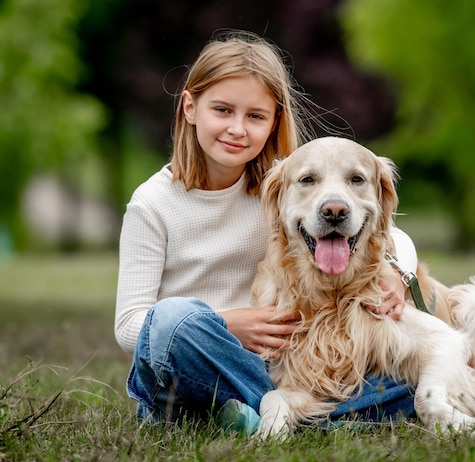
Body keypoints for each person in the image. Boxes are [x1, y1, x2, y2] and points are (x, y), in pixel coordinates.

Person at [114, 30, 419, 434]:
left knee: (409, 376)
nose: (237, 129)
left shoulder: (283, 190)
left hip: (273, 368)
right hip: (185, 373)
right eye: (222, 110)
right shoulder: (152, 204)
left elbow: (388, 234)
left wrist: (401, 273)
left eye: (255, 116)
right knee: (173, 319)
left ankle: (265, 417)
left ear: (275, 120)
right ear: (190, 107)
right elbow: (130, 326)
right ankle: (316, 417)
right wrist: (223, 325)